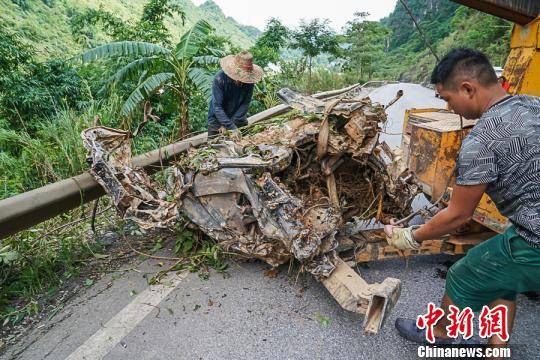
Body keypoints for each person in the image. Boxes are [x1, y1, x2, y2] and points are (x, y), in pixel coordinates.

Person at [385, 48, 540, 347]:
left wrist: (409, 236)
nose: (449, 107)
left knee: (463, 273)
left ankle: (441, 333)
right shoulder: (533, 105)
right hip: (529, 224)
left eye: (446, 98)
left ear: (468, 88)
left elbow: (458, 215)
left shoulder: (481, 141)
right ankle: (497, 347)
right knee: (496, 264)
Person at [207, 51, 263, 138]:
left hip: (237, 117)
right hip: (217, 119)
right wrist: (230, 126)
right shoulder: (220, 78)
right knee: (214, 147)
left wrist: (232, 125)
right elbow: (217, 106)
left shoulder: (249, 80)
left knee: (244, 143)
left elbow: (245, 103)